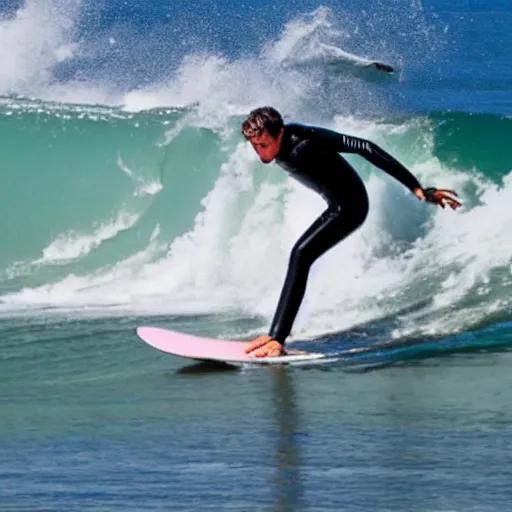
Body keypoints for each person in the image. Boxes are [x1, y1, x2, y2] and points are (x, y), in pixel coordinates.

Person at [241, 107, 461, 358]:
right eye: (255, 146)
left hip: (350, 208)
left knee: (301, 255)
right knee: (300, 255)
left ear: (280, 133)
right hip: (335, 204)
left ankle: (277, 339)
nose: (259, 152)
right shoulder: (281, 140)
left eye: (263, 144)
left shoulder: (305, 142)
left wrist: (417, 188)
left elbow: (364, 146)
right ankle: (275, 335)